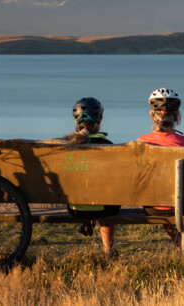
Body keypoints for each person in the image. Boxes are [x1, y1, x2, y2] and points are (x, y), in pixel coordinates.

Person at [136, 87, 184, 249]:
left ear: (152, 115)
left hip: (154, 208)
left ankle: (180, 243)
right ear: (177, 116)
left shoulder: (141, 141)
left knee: (163, 202)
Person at [63, 97, 119, 256]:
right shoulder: (109, 146)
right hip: (104, 208)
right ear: (100, 119)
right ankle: (109, 250)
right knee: (107, 198)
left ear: (75, 121)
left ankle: (87, 221)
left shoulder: (66, 147)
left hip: (75, 208)